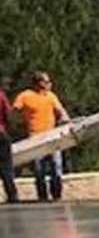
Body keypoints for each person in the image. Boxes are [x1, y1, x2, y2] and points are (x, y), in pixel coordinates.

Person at [13, 71, 70, 202]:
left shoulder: (51, 96)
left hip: (52, 137)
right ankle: (42, 196)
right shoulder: (25, 96)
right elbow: (14, 111)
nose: (49, 84)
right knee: (39, 170)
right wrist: (20, 123)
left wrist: (66, 121)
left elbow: (61, 111)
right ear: (38, 83)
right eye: (46, 82)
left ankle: (57, 195)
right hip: (35, 138)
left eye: (49, 82)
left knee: (56, 167)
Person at [0, 80, 19, 204]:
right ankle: (12, 195)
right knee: (6, 167)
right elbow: (8, 114)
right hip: (1, 134)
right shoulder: (1, 95)